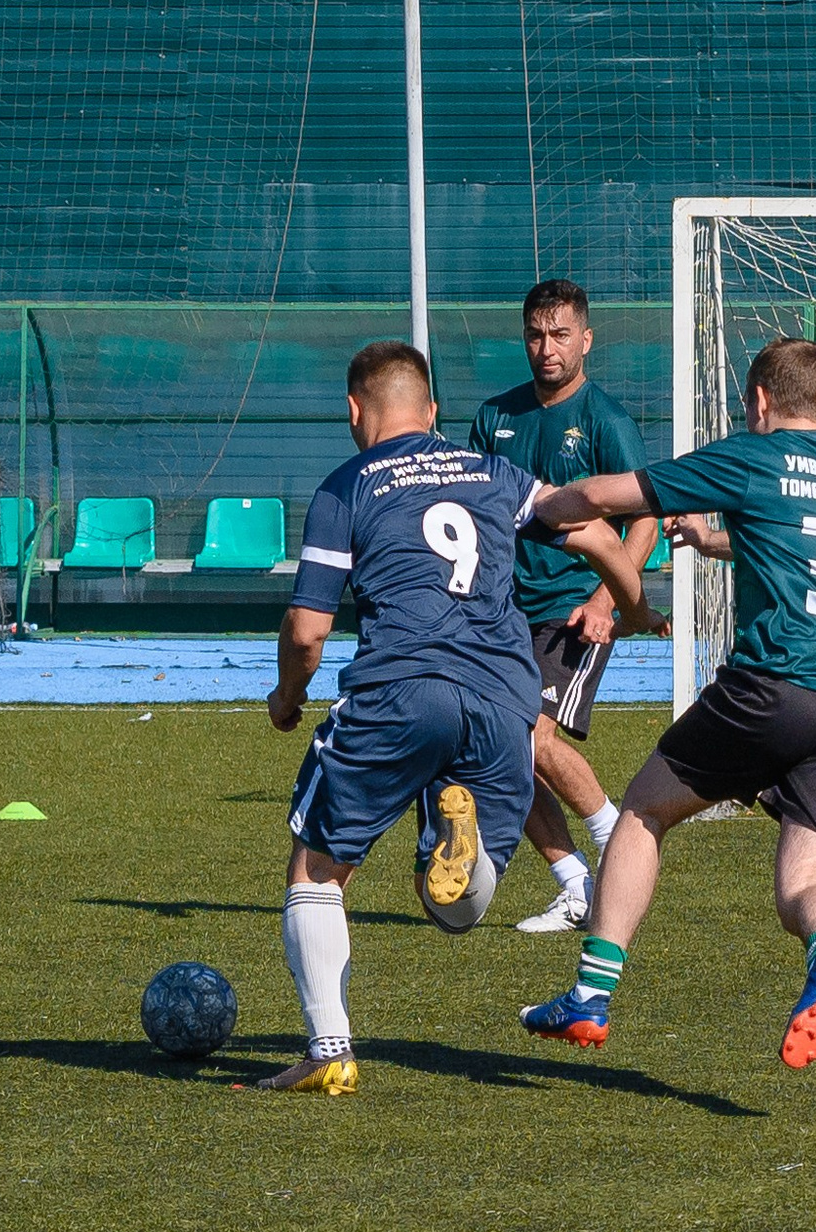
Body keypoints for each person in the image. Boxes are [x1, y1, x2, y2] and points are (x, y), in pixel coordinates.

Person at [250, 339, 644, 1094]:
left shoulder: (347, 485)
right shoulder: (495, 473)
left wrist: (287, 698)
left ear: (354, 411)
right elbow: (594, 533)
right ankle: (455, 830)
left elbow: (307, 632)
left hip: (400, 688)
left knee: (318, 868)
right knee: (456, 909)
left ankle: (329, 1049)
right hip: (504, 701)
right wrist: (633, 606)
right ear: (433, 412)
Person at [515, 336, 816, 1067]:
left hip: (778, 687)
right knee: (807, 887)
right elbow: (809, 553)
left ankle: (590, 998)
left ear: (760, 402)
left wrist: (536, 512)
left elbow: (605, 496)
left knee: (643, 811)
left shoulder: (758, 455)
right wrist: (716, 539)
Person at [468, 279, 661, 934]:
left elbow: (644, 526)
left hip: (571, 610)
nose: (545, 348)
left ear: (586, 339)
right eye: (534, 335)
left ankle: (614, 839)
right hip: (500, 613)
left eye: (558, 335)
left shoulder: (607, 421)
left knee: (529, 737)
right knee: (499, 745)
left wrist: (606, 598)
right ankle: (575, 883)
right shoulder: (495, 417)